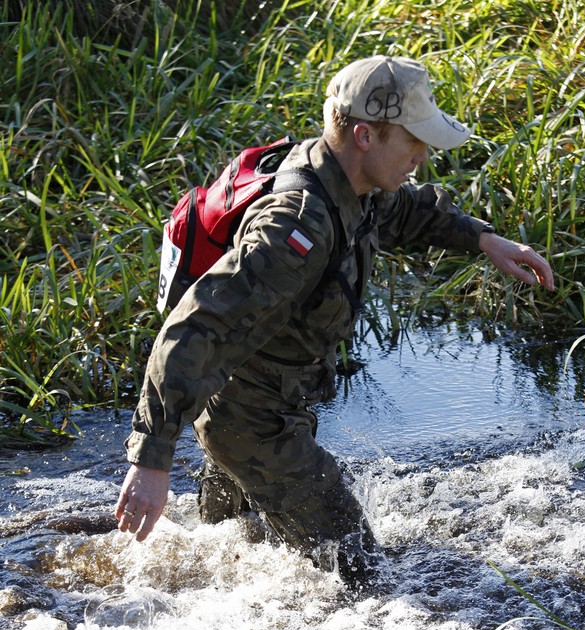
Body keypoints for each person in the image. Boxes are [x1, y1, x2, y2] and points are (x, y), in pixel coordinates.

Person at [115, 54, 554, 588]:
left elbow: (401, 213)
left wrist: (482, 238)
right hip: (251, 422)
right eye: (413, 140)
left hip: (250, 405)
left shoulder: (348, 182)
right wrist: (151, 459)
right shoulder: (297, 227)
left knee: (226, 563)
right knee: (365, 575)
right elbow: (193, 329)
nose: (423, 154)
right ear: (366, 135)